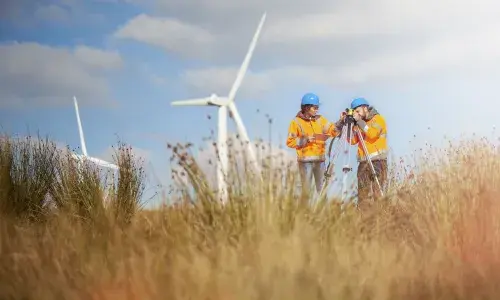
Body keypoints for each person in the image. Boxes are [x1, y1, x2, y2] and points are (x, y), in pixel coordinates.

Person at [286, 93, 344, 204]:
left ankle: (323, 215)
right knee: (306, 191)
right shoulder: (296, 122)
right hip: (305, 162)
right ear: (307, 107)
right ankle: (304, 214)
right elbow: (290, 142)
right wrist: (305, 139)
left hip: (320, 162)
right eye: (315, 107)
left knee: (322, 191)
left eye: (318, 107)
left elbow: (333, 131)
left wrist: (341, 121)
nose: (317, 110)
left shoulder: (320, 120)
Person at [348, 97, 388, 211]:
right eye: (354, 112)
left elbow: (372, 134)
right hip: (363, 163)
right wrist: (348, 125)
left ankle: (381, 219)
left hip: (378, 162)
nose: (356, 114)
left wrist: (359, 122)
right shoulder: (360, 123)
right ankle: (364, 223)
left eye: (358, 111)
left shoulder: (378, 119)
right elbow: (352, 141)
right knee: (363, 196)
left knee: (377, 194)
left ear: (365, 108)